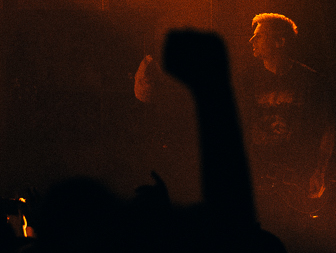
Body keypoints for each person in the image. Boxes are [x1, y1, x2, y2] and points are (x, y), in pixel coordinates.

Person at [137, 12, 333, 221]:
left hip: (296, 180)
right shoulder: (246, 80)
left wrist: (320, 170)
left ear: (279, 41)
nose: (252, 40)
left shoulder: (311, 82)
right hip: (257, 178)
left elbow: (328, 128)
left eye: (259, 36)